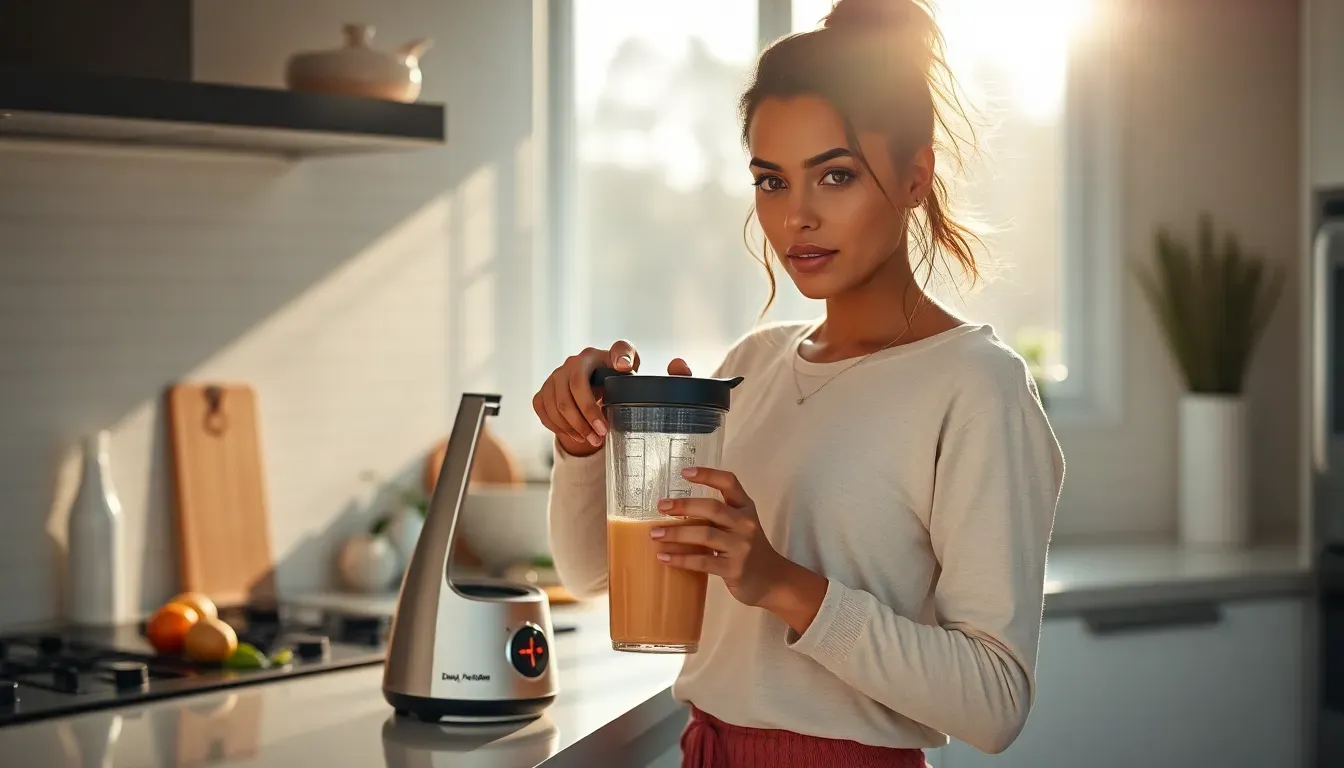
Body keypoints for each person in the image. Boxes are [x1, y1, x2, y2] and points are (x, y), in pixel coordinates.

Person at [534, 0, 1065, 765]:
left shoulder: (977, 386)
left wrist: (780, 583)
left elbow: (994, 703)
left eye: (836, 176)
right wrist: (586, 446)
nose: (797, 218)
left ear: (917, 178)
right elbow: (592, 576)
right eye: (771, 181)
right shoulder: (753, 363)